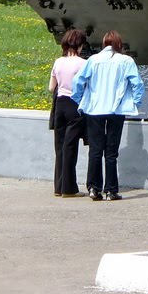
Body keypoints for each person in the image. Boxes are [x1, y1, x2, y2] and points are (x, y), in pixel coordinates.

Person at [70, 30, 144, 201]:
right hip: (117, 109)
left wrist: (80, 99)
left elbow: (78, 81)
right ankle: (111, 190)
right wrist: (136, 102)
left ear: (104, 43)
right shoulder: (126, 61)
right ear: (119, 44)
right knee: (111, 152)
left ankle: (93, 187)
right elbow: (137, 84)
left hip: (94, 109)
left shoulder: (93, 60)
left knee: (95, 150)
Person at [49, 29, 87, 197]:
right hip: (74, 105)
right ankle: (69, 188)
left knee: (59, 146)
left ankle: (58, 187)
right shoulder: (83, 63)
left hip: (60, 105)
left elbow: (51, 87)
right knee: (70, 147)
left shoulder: (58, 62)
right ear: (80, 45)